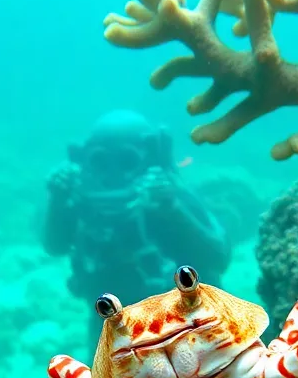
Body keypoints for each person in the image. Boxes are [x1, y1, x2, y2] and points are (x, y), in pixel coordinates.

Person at [42, 110, 232, 343]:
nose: (114, 174)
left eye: (127, 161)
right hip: (113, 327)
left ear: (147, 159)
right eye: (100, 161)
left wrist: (171, 208)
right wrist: (58, 202)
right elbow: (55, 246)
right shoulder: (80, 200)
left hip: (187, 327)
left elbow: (217, 258)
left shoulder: (170, 195)